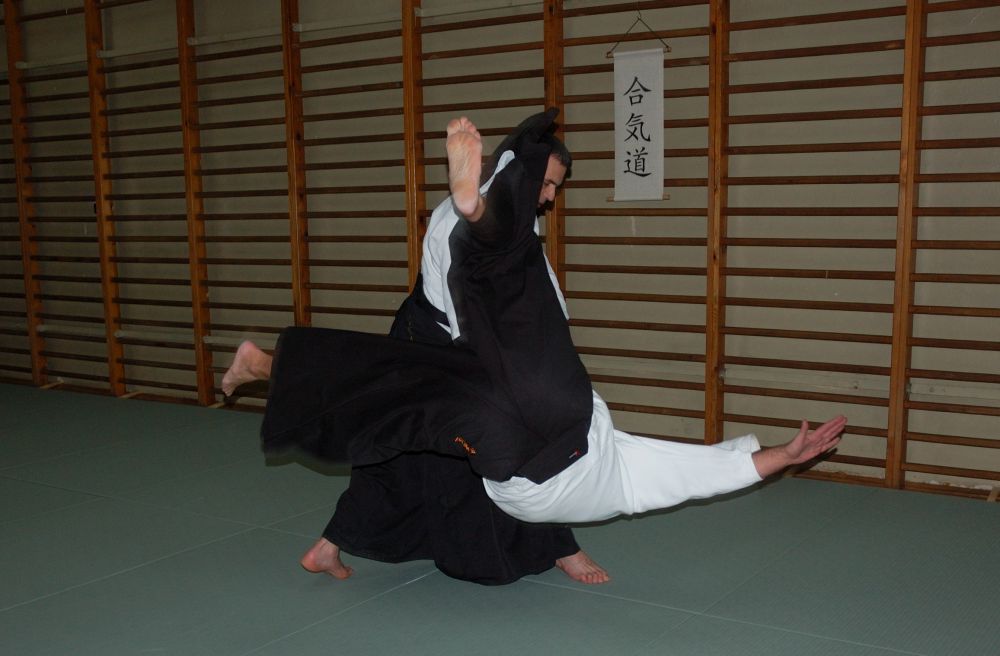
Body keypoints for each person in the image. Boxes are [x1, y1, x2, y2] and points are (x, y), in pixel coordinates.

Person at [223, 110, 845, 580]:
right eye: (546, 183)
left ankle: (293, 427)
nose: (550, 195)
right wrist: (778, 457)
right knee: (395, 436)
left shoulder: (516, 235)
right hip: (463, 355)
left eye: (553, 187)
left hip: (517, 398)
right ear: (517, 173)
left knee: (395, 430)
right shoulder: (461, 230)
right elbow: (486, 307)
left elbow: (525, 304)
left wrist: (776, 458)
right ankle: (331, 537)